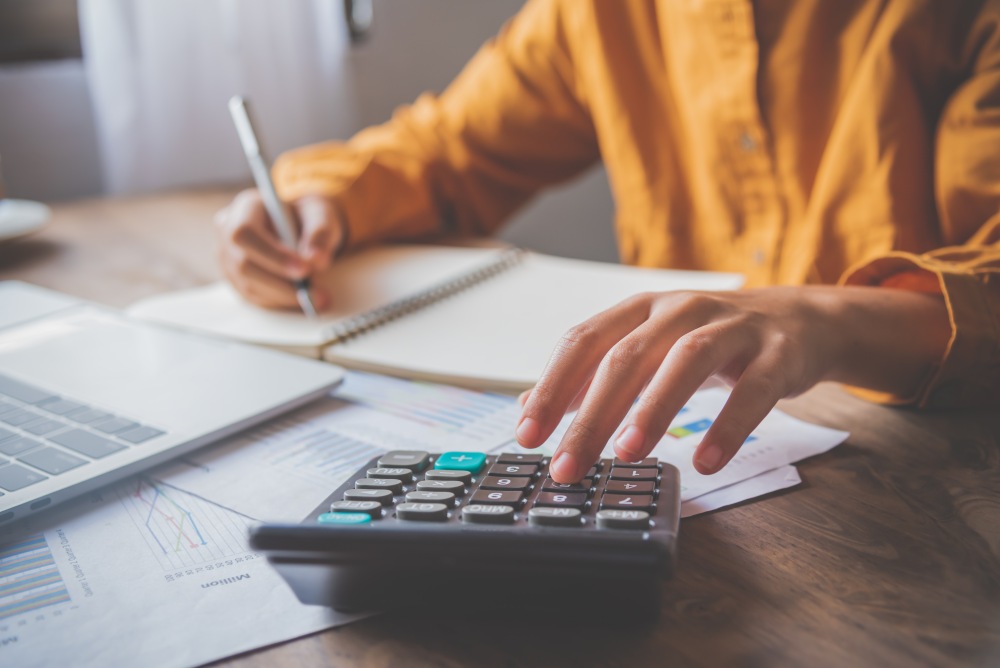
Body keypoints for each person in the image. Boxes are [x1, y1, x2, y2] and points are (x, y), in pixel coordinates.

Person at [215, 0, 1000, 483]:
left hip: (930, 472)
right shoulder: (598, 12)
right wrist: (317, 202)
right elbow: (449, 151)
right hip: (686, 467)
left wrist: (827, 321)